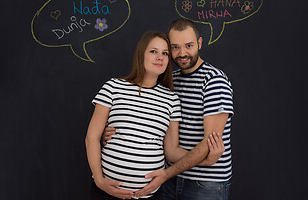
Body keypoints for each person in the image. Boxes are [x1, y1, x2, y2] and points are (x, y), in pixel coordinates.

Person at [85, 31, 225, 200]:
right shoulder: (113, 87)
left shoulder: (171, 99)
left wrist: (205, 160)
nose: (160, 57)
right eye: (153, 51)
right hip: (106, 192)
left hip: (149, 195)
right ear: (141, 54)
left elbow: (171, 152)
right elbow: (92, 138)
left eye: (165, 53)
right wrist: (99, 180)